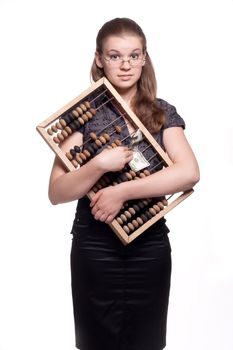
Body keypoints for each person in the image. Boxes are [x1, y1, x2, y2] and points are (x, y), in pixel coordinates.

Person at [48, 17, 200, 350]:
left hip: (150, 245)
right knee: (95, 342)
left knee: (146, 342)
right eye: (115, 55)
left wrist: (121, 190)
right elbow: (57, 192)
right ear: (99, 58)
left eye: (134, 55)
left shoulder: (162, 113)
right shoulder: (83, 115)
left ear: (145, 58)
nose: (126, 64)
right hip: (95, 245)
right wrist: (97, 165)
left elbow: (188, 173)